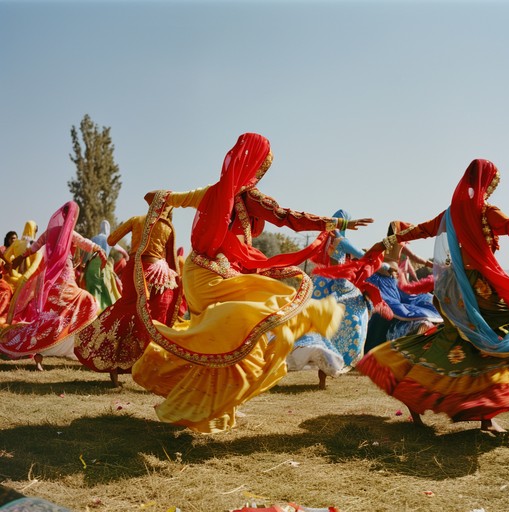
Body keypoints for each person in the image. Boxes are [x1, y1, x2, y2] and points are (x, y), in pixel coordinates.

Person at [131, 132, 374, 433]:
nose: (260, 173)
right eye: (262, 166)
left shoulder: (211, 191)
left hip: (197, 274)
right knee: (252, 323)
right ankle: (203, 406)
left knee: (223, 341)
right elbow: (287, 217)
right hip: (217, 279)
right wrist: (336, 223)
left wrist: (158, 198)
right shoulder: (248, 197)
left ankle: (215, 408)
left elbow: (168, 198)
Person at [358, 158, 509, 433]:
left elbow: (418, 231)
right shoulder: (486, 212)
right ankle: (483, 415)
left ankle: (415, 392)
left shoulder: (449, 215)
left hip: (453, 290)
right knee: (491, 343)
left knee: (460, 344)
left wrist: (386, 241)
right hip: (479, 290)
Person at [75, 203, 183, 387]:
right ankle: (149, 365)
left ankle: (113, 359)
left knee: (124, 310)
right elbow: (171, 257)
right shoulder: (167, 226)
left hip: (133, 269)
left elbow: (111, 240)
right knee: (154, 318)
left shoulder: (136, 219)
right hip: (159, 274)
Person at [0, 202, 107, 370]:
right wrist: (100, 250)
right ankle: (81, 347)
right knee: (87, 301)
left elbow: (33, 248)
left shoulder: (49, 232)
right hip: (64, 277)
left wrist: (20, 257)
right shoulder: (69, 233)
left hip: (50, 279)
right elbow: (86, 243)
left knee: (53, 316)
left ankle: (42, 353)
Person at [286, 209, 374, 389]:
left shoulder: (331, 241)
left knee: (321, 330)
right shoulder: (341, 241)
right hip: (337, 287)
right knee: (352, 319)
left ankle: (322, 377)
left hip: (321, 286)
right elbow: (357, 261)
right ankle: (331, 367)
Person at [363, 220, 443, 353]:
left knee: (394, 307)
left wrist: (434, 266)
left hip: (389, 281)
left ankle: (418, 329)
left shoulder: (388, 243)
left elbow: (415, 259)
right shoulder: (394, 243)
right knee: (390, 308)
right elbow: (416, 258)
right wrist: (433, 266)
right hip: (384, 280)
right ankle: (409, 331)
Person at [81, 219, 126, 312]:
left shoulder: (94, 238)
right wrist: (127, 257)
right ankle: (106, 311)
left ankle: (91, 310)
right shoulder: (110, 239)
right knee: (105, 290)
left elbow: (87, 253)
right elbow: (122, 251)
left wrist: (83, 263)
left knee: (93, 288)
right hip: (104, 267)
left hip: (92, 266)